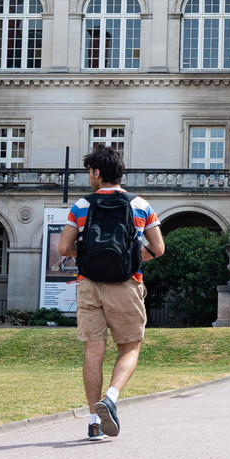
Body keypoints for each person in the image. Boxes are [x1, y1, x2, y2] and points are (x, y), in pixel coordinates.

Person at [56, 145, 164, 440]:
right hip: (126, 284)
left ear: (97, 173)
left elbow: (64, 248)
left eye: (89, 172)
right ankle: (111, 398)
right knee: (129, 347)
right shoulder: (140, 204)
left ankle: (93, 422)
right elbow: (158, 248)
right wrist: (128, 259)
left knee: (94, 351)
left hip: (89, 284)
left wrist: (91, 256)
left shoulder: (81, 205)